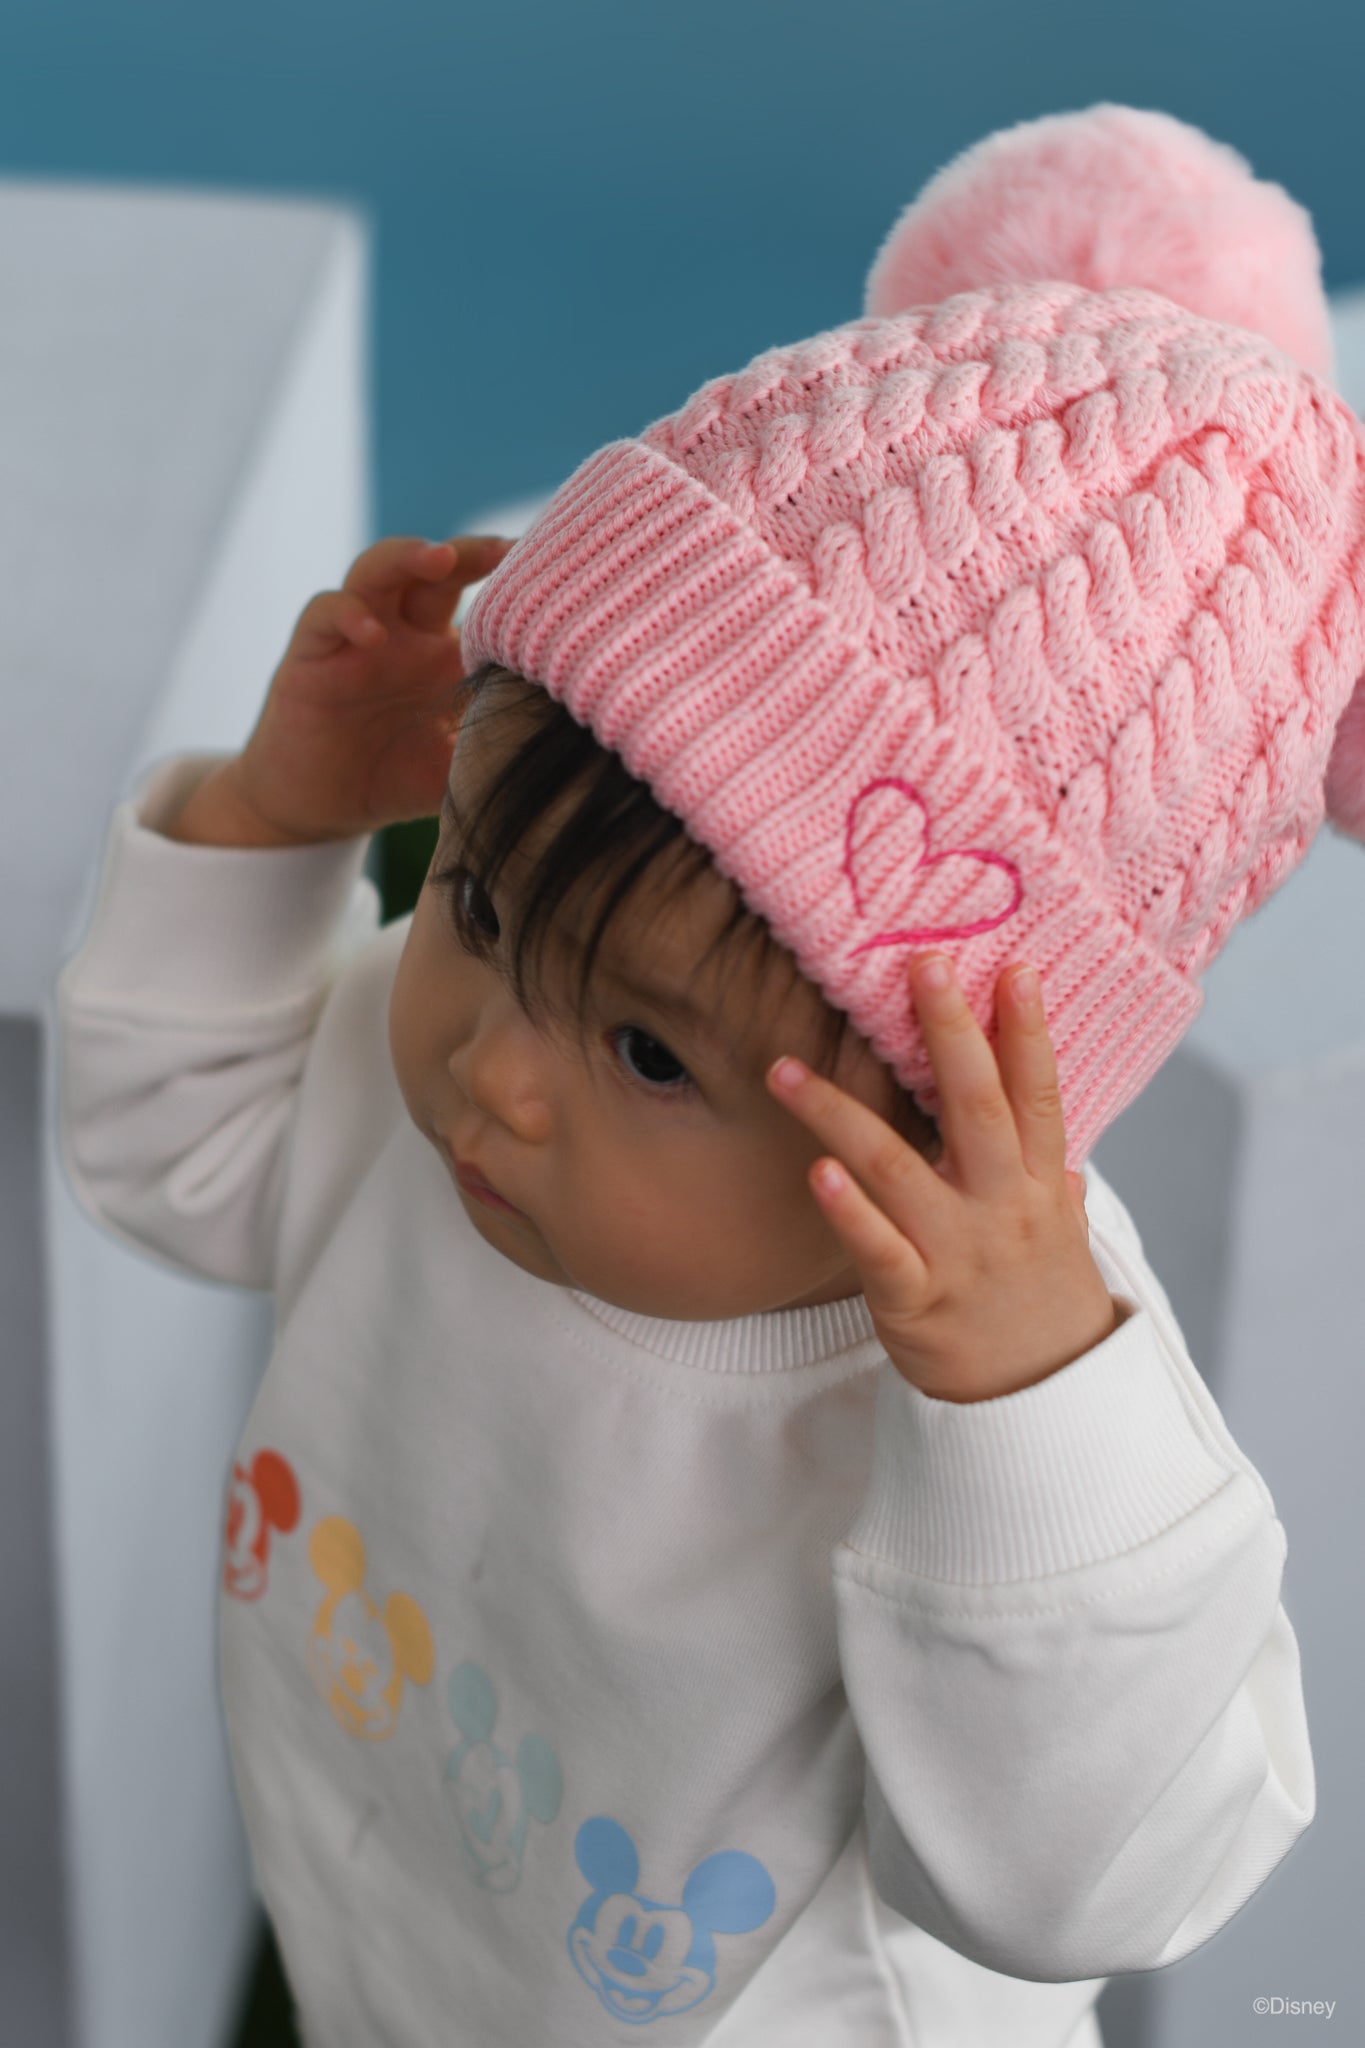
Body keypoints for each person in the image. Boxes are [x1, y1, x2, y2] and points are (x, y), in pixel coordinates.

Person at [54, 102, 1365, 2048]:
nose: (500, 1075)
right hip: (391, 1951)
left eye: (650, 1049)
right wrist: (266, 823)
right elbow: (166, 1153)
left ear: (950, 1111)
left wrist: (1025, 1403)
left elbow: (1087, 1880)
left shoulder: (986, 1391)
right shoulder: (479, 1112)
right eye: (477, 898)